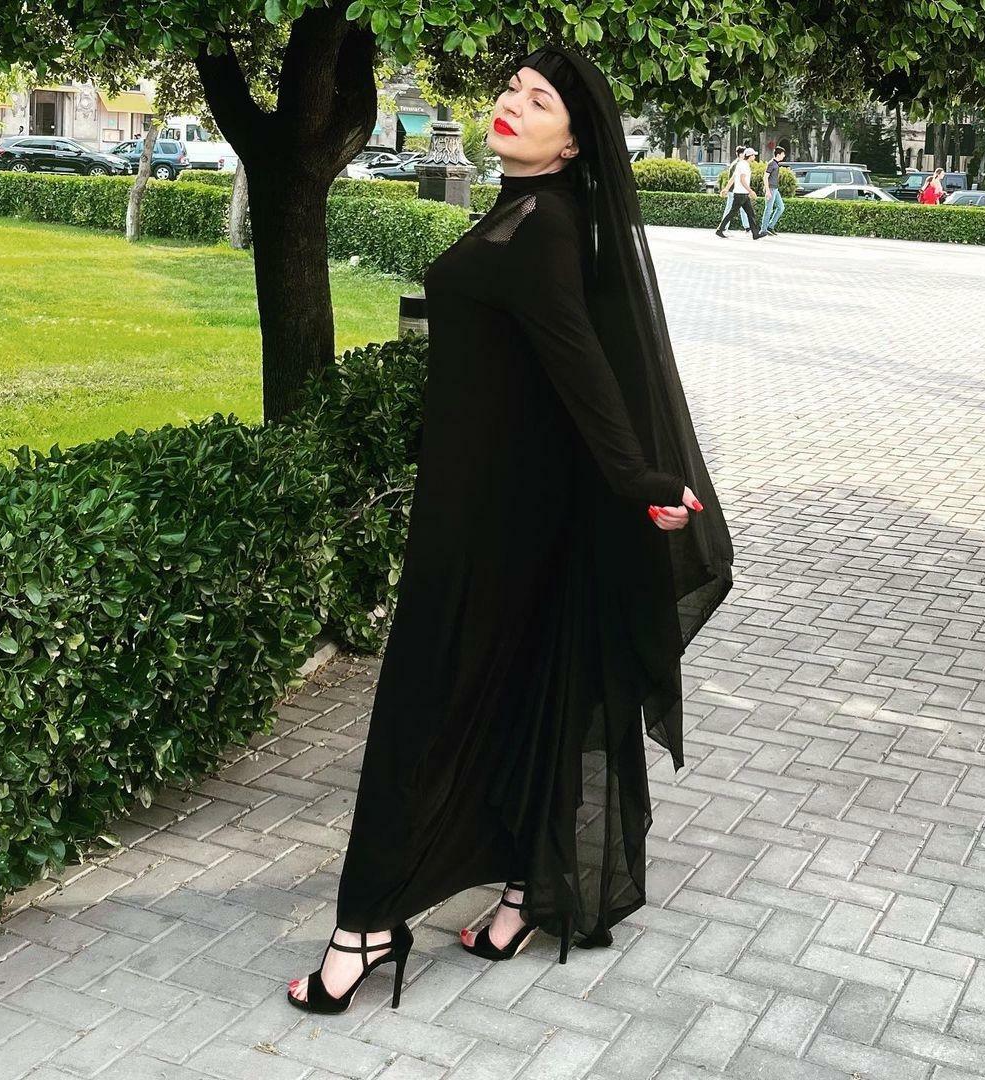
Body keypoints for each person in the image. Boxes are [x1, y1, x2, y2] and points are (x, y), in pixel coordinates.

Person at [287, 44, 733, 1015]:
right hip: (489, 506)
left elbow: (584, 367)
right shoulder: (521, 209)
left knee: (417, 713)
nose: (512, 106)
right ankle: (524, 896)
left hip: (493, 522)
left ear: (573, 144)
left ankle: (365, 929)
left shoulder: (544, 227)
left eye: (539, 102)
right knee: (529, 694)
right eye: (512, 91)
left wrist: (640, 478)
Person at [716, 146, 762, 238]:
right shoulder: (744, 165)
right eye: (753, 155)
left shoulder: (740, 164)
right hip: (741, 194)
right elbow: (742, 180)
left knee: (750, 213)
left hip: (742, 193)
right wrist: (751, 191)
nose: (754, 157)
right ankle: (720, 230)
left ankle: (755, 234)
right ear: (749, 156)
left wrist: (726, 188)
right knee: (733, 213)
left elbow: (733, 178)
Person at [758, 146, 787, 237]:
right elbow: (765, 177)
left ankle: (770, 226)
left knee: (781, 207)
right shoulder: (771, 163)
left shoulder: (776, 164)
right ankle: (763, 230)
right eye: (783, 154)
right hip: (770, 189)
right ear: (778, 154)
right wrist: (767, 191)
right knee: (768, 209)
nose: (784, 156)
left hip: (775, 189)